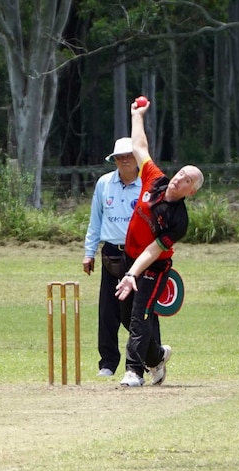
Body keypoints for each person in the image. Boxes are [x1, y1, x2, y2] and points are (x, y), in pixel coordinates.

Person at [115, 99, 203, 387]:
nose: (179, 178)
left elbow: (154, 250)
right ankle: (157, 357)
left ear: (191, 191)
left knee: (140, 313)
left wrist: (132, 275)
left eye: (186, 179)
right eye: (181, 173)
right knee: (128, 317)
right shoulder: (156, 180)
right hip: (130, 257)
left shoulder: (179, 221)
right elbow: (140, 148)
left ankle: (133, 371)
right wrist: (136, 115)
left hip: (153, 266)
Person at [82, 138, 160, 377]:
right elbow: (95, 220)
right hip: (111, 253)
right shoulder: (105, 183)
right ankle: (107, 362)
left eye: (128, 155)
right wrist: (89, 252)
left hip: (140, 254)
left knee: (142, 311)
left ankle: (152, 359)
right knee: (108, 310)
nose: (124, 160)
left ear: (137, 158)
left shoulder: (148, 185)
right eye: (119, 157)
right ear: (114, 160)